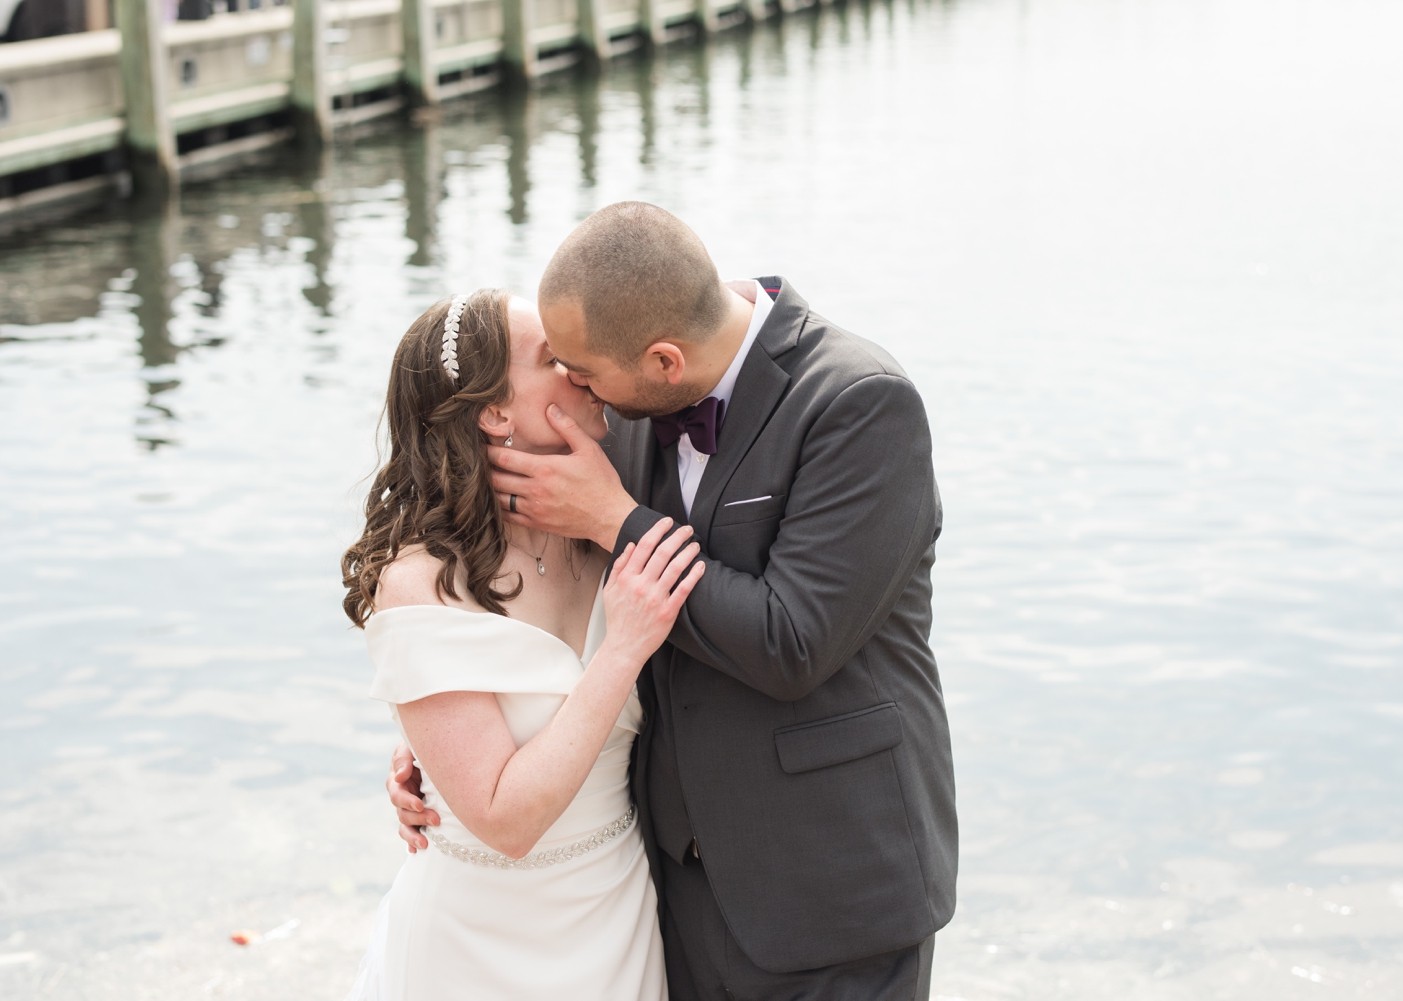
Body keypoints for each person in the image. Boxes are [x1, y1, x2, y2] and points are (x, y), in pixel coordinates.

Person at [388, 202, 957, 999]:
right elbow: (524, 637)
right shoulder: (622, 410)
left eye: (584, 373)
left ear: (662, 360)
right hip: (667, 896)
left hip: (830, 886)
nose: (580, 389)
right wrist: (450, 744)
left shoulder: (861, 403)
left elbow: (792, 640)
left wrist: (612, 519)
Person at [342, 289, 703, 1001]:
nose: (580, 365)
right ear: (494, 410)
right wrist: (621, 649)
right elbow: (505, 819)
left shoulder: (606, 519)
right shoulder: (418, 584)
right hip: (475, 946)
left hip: (618, 915)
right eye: (553, 358)